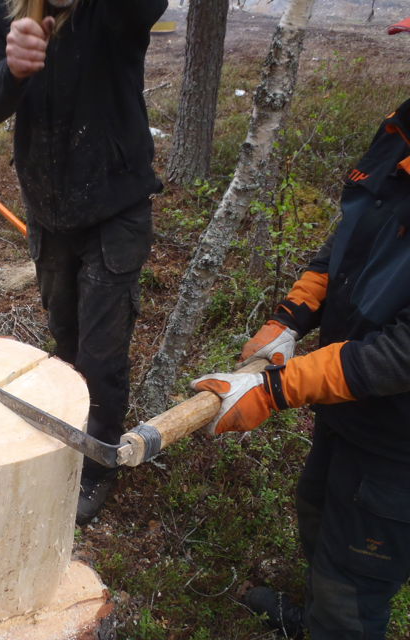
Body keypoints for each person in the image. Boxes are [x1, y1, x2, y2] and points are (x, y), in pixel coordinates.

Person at [191, 20, 410, 640]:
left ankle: (337, 623)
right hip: (350, 409)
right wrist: (288, 319)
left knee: (356, 575)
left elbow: (402, 353)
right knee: (318, 512)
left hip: (400, 444)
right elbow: (348, 241)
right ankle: (319, 618)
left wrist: (277, 389)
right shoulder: (400, 130)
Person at [0, 0, 167, 524]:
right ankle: (70, 432)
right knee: (66, 337)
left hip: (113, 207)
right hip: (49, 208)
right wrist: (9, 70)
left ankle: (98, 462)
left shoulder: (110, 12)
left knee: (101, 353)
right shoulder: (6, 10)